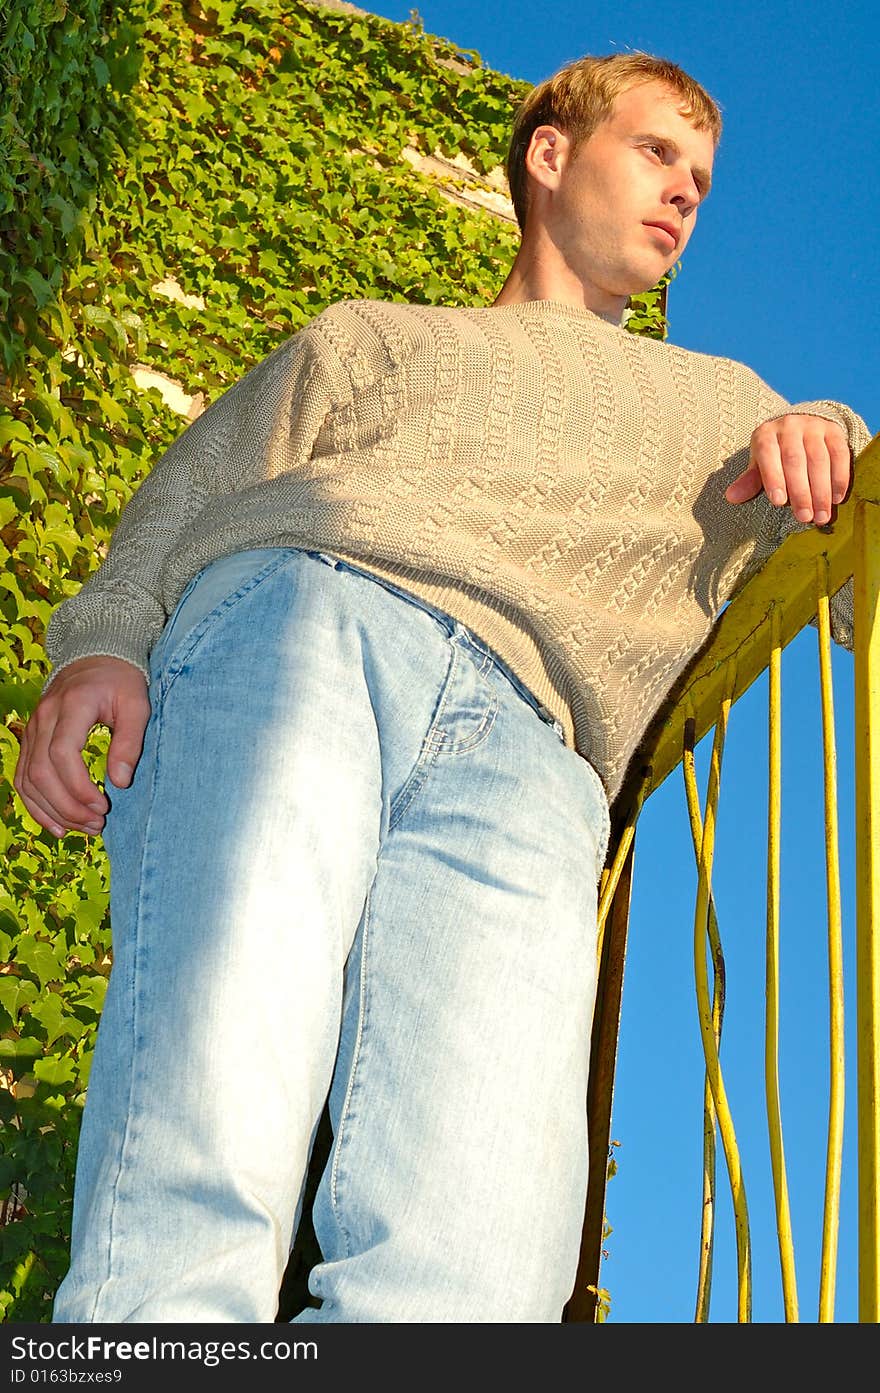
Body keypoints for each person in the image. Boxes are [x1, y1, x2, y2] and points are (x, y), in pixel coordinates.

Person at [13, 51, 871, 1324]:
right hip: (302, 618)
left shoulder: (730, 410)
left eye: (701, 181)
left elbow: (852, 578)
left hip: (536, 752)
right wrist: (102, 643)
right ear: (548, 156)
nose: (686, 196)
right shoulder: (371, 337)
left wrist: (836, 437)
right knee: (211, 1138)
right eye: (656, 155)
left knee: (475, 1271)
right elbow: (185, 496)